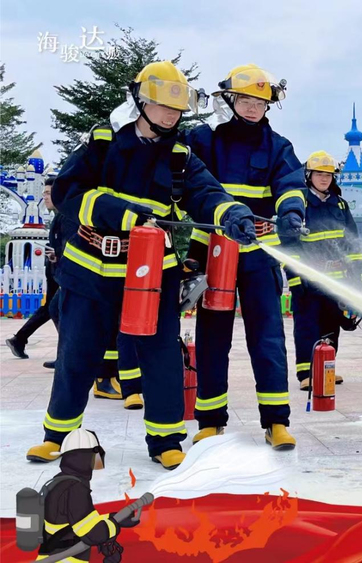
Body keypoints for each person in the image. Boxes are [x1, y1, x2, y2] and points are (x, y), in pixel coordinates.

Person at [26, 61, 257, 470]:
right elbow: (67, 193)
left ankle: (165, 439)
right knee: (77, 354)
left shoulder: (180, 155)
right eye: (163, 106)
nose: (171, 116)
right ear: (140, 102)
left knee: (161, 356)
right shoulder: (103, 141)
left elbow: (207, 194)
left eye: (177, 110)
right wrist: (122, 213)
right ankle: (56, 436)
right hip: (90, 266)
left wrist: (232, 213)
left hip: (151, 272)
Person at [183, 64, 305, 450]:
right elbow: (188, 187)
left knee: (268, 339)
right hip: (212, 250)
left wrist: (291, 213)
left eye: (260, 102)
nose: (253, 108)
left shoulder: (278, 147)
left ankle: (276, 421)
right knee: (212, 339)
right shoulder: (203, 140)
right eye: (246, 100)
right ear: (230, 100)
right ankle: (210, 421)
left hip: (258, 254)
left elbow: (290, 185)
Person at [286, 151, 362, 391]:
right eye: (319, 173)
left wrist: (357, 276)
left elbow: (352, 243)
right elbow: (288, 245)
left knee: (331, 325)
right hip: (308, 280)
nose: (324, 178)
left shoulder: (339, 205)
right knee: (307, 326)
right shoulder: (299, 203)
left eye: (328, 175)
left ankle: (325, 369)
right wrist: (296, 278)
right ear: (308, 175)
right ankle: (306, 374)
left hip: (336, 280)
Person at [34, 429, 140, 563]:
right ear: (86, 457)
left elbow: (77, 521)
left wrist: (113, 517)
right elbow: (93, 534)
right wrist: (114, 525)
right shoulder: (75, 489)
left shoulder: (58, 482)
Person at [6, 178, 64, 366]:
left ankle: (21, 339)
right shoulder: (58, 216)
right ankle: (21, 339)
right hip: (54, 269)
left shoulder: (67, 216)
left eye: (48, 193)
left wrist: (58, 254)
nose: (45, 197)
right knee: (53, 308)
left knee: (55, 308)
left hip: (63, 270)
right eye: (44, 193)